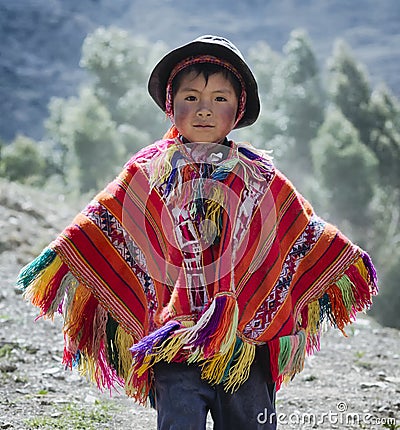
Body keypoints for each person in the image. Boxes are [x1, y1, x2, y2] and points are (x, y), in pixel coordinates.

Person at [17, 35, 378, 430]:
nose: (204, 110)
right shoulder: (146, 173)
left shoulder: (261, 179)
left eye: (220, 99)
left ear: (238, 110)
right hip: (174, 344)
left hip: (246, 347)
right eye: (191, 97)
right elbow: (102, 222)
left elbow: (299, 232)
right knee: (179, 423)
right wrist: (66, 254)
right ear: (171, 105)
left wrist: (345, 260)